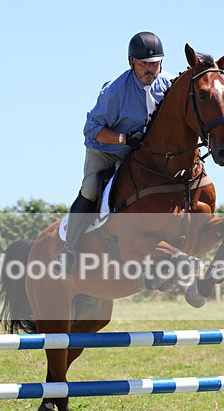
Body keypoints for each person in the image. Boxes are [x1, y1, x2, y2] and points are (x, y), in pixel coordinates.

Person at [56, 31, 173, 273]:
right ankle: (68, 250)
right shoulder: (115, 91)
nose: (150, 70)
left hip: (139, 154)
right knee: (90, 190)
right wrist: (124, 138)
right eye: (143, 64)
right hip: (106, 151)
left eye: (155, 64)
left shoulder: (169, 85)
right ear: (131, 62)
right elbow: (91, 129)